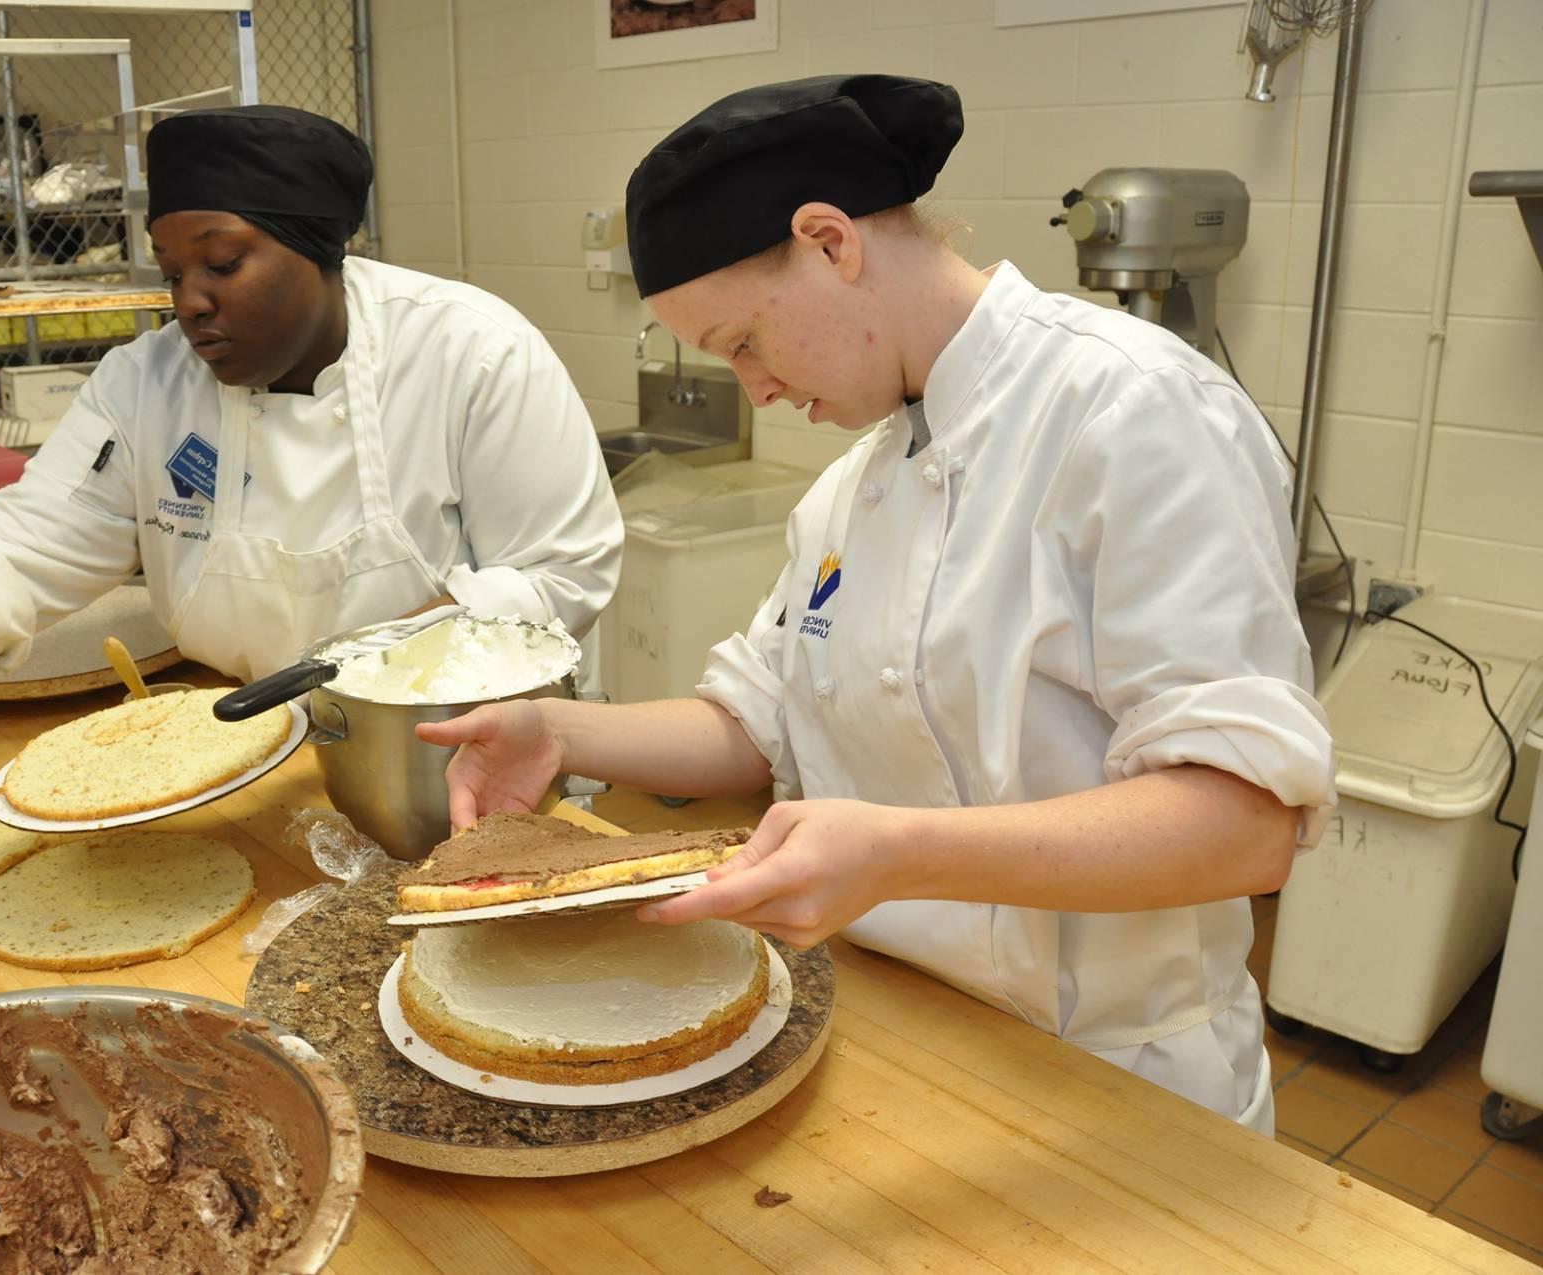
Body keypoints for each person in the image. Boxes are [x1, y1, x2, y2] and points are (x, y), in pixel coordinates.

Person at [418, 75, 1335, 1133]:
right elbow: (754, 722)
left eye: (744, 343)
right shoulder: (856, 487)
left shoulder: (1132, 412)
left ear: (828, 242)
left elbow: (1243, 824)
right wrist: (559, 729)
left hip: (1114, 1078)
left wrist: (896, 852)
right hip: (901, 1036)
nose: (753, 390)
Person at [0, 105, 622, 850]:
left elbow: (562, 571)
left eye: (223, 262)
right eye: (172, 273)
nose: (190, 301)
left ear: (316, 248)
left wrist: (379, 663)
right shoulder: (146, 385)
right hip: (246, 771)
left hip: (456, 770)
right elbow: (21, 545)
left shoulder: (469, 352)